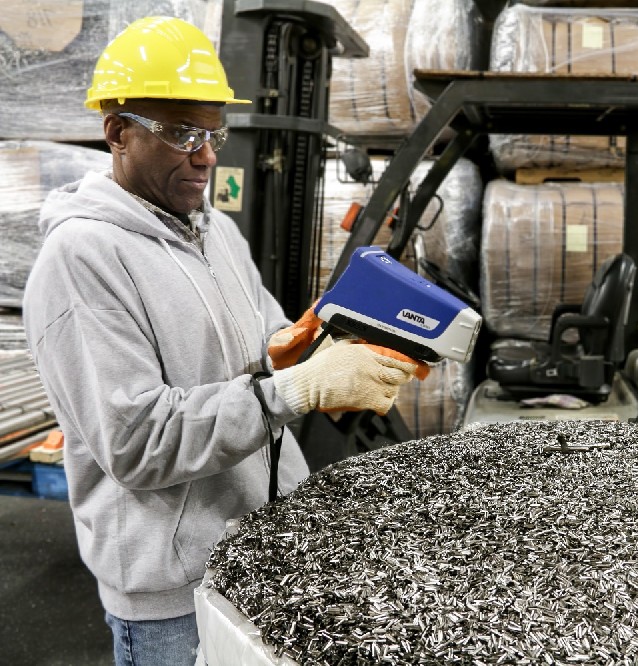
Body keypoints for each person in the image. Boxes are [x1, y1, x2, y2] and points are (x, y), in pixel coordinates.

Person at [22, 16, 419, 665]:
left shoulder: (214, 230)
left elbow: (263, 340)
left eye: (214, 133)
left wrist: (306, 350)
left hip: (257, 555)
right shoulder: (81, 260)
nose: (206, 155)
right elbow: (137, 441)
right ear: (118, 132)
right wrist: (295, 389)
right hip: (172, 594)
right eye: (182, 133)